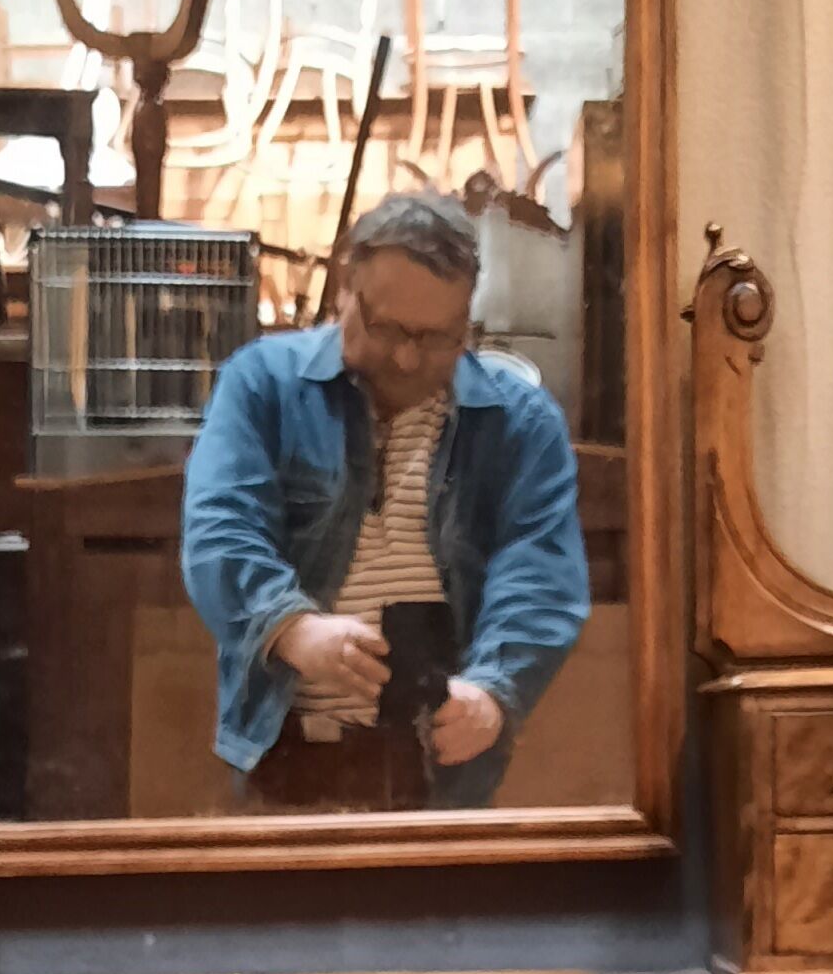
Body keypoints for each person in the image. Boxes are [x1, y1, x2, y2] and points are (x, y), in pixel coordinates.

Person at [179, 192, 590, 809]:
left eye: (438, 338)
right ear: (346, 288)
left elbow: (540, 572)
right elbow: (220, 529)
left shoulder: (520, 422)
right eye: (389, 329)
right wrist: (293, 629)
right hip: (287, 756)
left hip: (442, 771)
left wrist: (493, 693)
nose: (406, 358)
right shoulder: (261, 384)